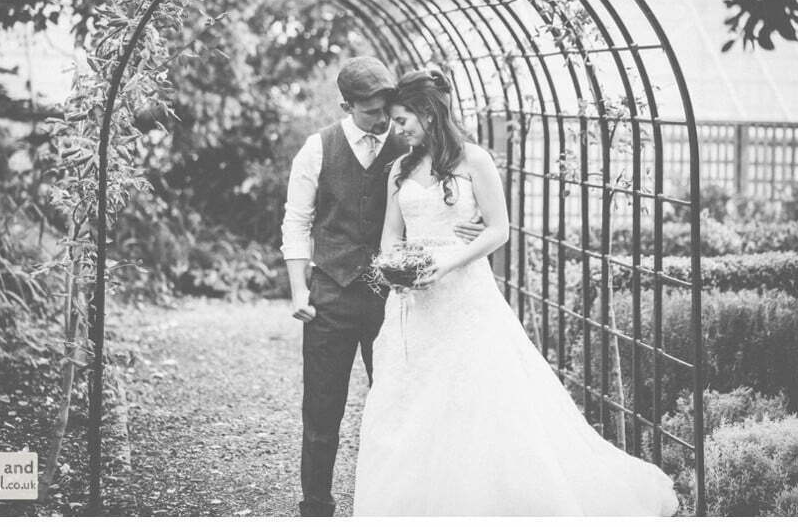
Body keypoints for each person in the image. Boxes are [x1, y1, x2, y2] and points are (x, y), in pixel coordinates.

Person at [351, 68, 680, 516]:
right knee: (408, 403)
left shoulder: (474, 161)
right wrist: (395, 267)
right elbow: (391, 234)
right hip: (412, 301)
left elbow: (499, 230)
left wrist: (447, 262)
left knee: (478, 398)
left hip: (464, 294)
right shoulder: (399, 170)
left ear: (429, 114)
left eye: (403, 119)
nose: (398, 129)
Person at [280, 57, 484, 517]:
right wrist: (299, 290)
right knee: (321, 408)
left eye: (387, 109)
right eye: (370, 111)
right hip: (330, 293)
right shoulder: (318, 149)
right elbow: (297, 222)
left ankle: (398, 506)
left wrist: (467, 223)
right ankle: (315, 505)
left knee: (397, 403)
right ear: (346, 104)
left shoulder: (411, 145)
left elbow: (455, 188)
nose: (382, 119)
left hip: (394, 297)